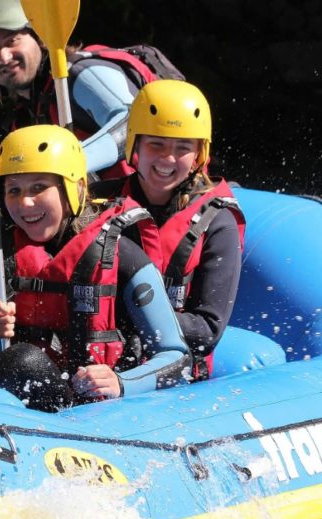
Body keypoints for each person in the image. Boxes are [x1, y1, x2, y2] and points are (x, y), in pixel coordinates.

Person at [0, 124, 191, 411]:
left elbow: (178, 359)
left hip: (81, 409)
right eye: (13, 190)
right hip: (9, 396)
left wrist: (122, 382)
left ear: (74, 189)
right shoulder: (0, 256)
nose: (25, 202)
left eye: (39, 187)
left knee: (22, 360)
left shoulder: (123, 255)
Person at [110, 79, 246, 379]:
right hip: (102, 365)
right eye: (156, 144)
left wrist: (129, 316)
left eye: (182, 148)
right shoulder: (100, 204)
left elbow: (208, 330)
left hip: (175, 375)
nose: (167, 159)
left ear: (199, 154)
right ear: (135, 144)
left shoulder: (218, 221)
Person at [0, 0, 181, 178]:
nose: (3, 57)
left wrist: (68, 163)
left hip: (161, 203)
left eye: (12, 41)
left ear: (40, 37)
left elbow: (135, 121)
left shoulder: (79, 74)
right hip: (109, 210)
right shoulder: (25, 113)